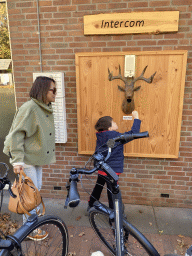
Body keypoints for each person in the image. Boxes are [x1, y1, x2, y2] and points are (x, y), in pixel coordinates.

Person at [3, 76, 57, 240]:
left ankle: (32, 223)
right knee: (29, 194)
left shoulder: (43, 108)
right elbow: (16, 134)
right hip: (25, 157)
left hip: (35, 156)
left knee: (35, 189)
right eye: (52, 90)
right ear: (42, 90)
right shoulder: (30, 108)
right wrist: (17, 161)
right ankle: (31, 230)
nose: (55, 93)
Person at [88, 111, 141, 210]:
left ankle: (90, 205)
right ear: (110, 127)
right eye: (114, 122)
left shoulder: (100, 136)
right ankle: (113, 215)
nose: (116, 123)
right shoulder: (116, 137)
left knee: (98, 188)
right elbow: (134, 133)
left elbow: (106, 149)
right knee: (112, 192)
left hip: (101, 168)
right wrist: (136, 118)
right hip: (112, 171)